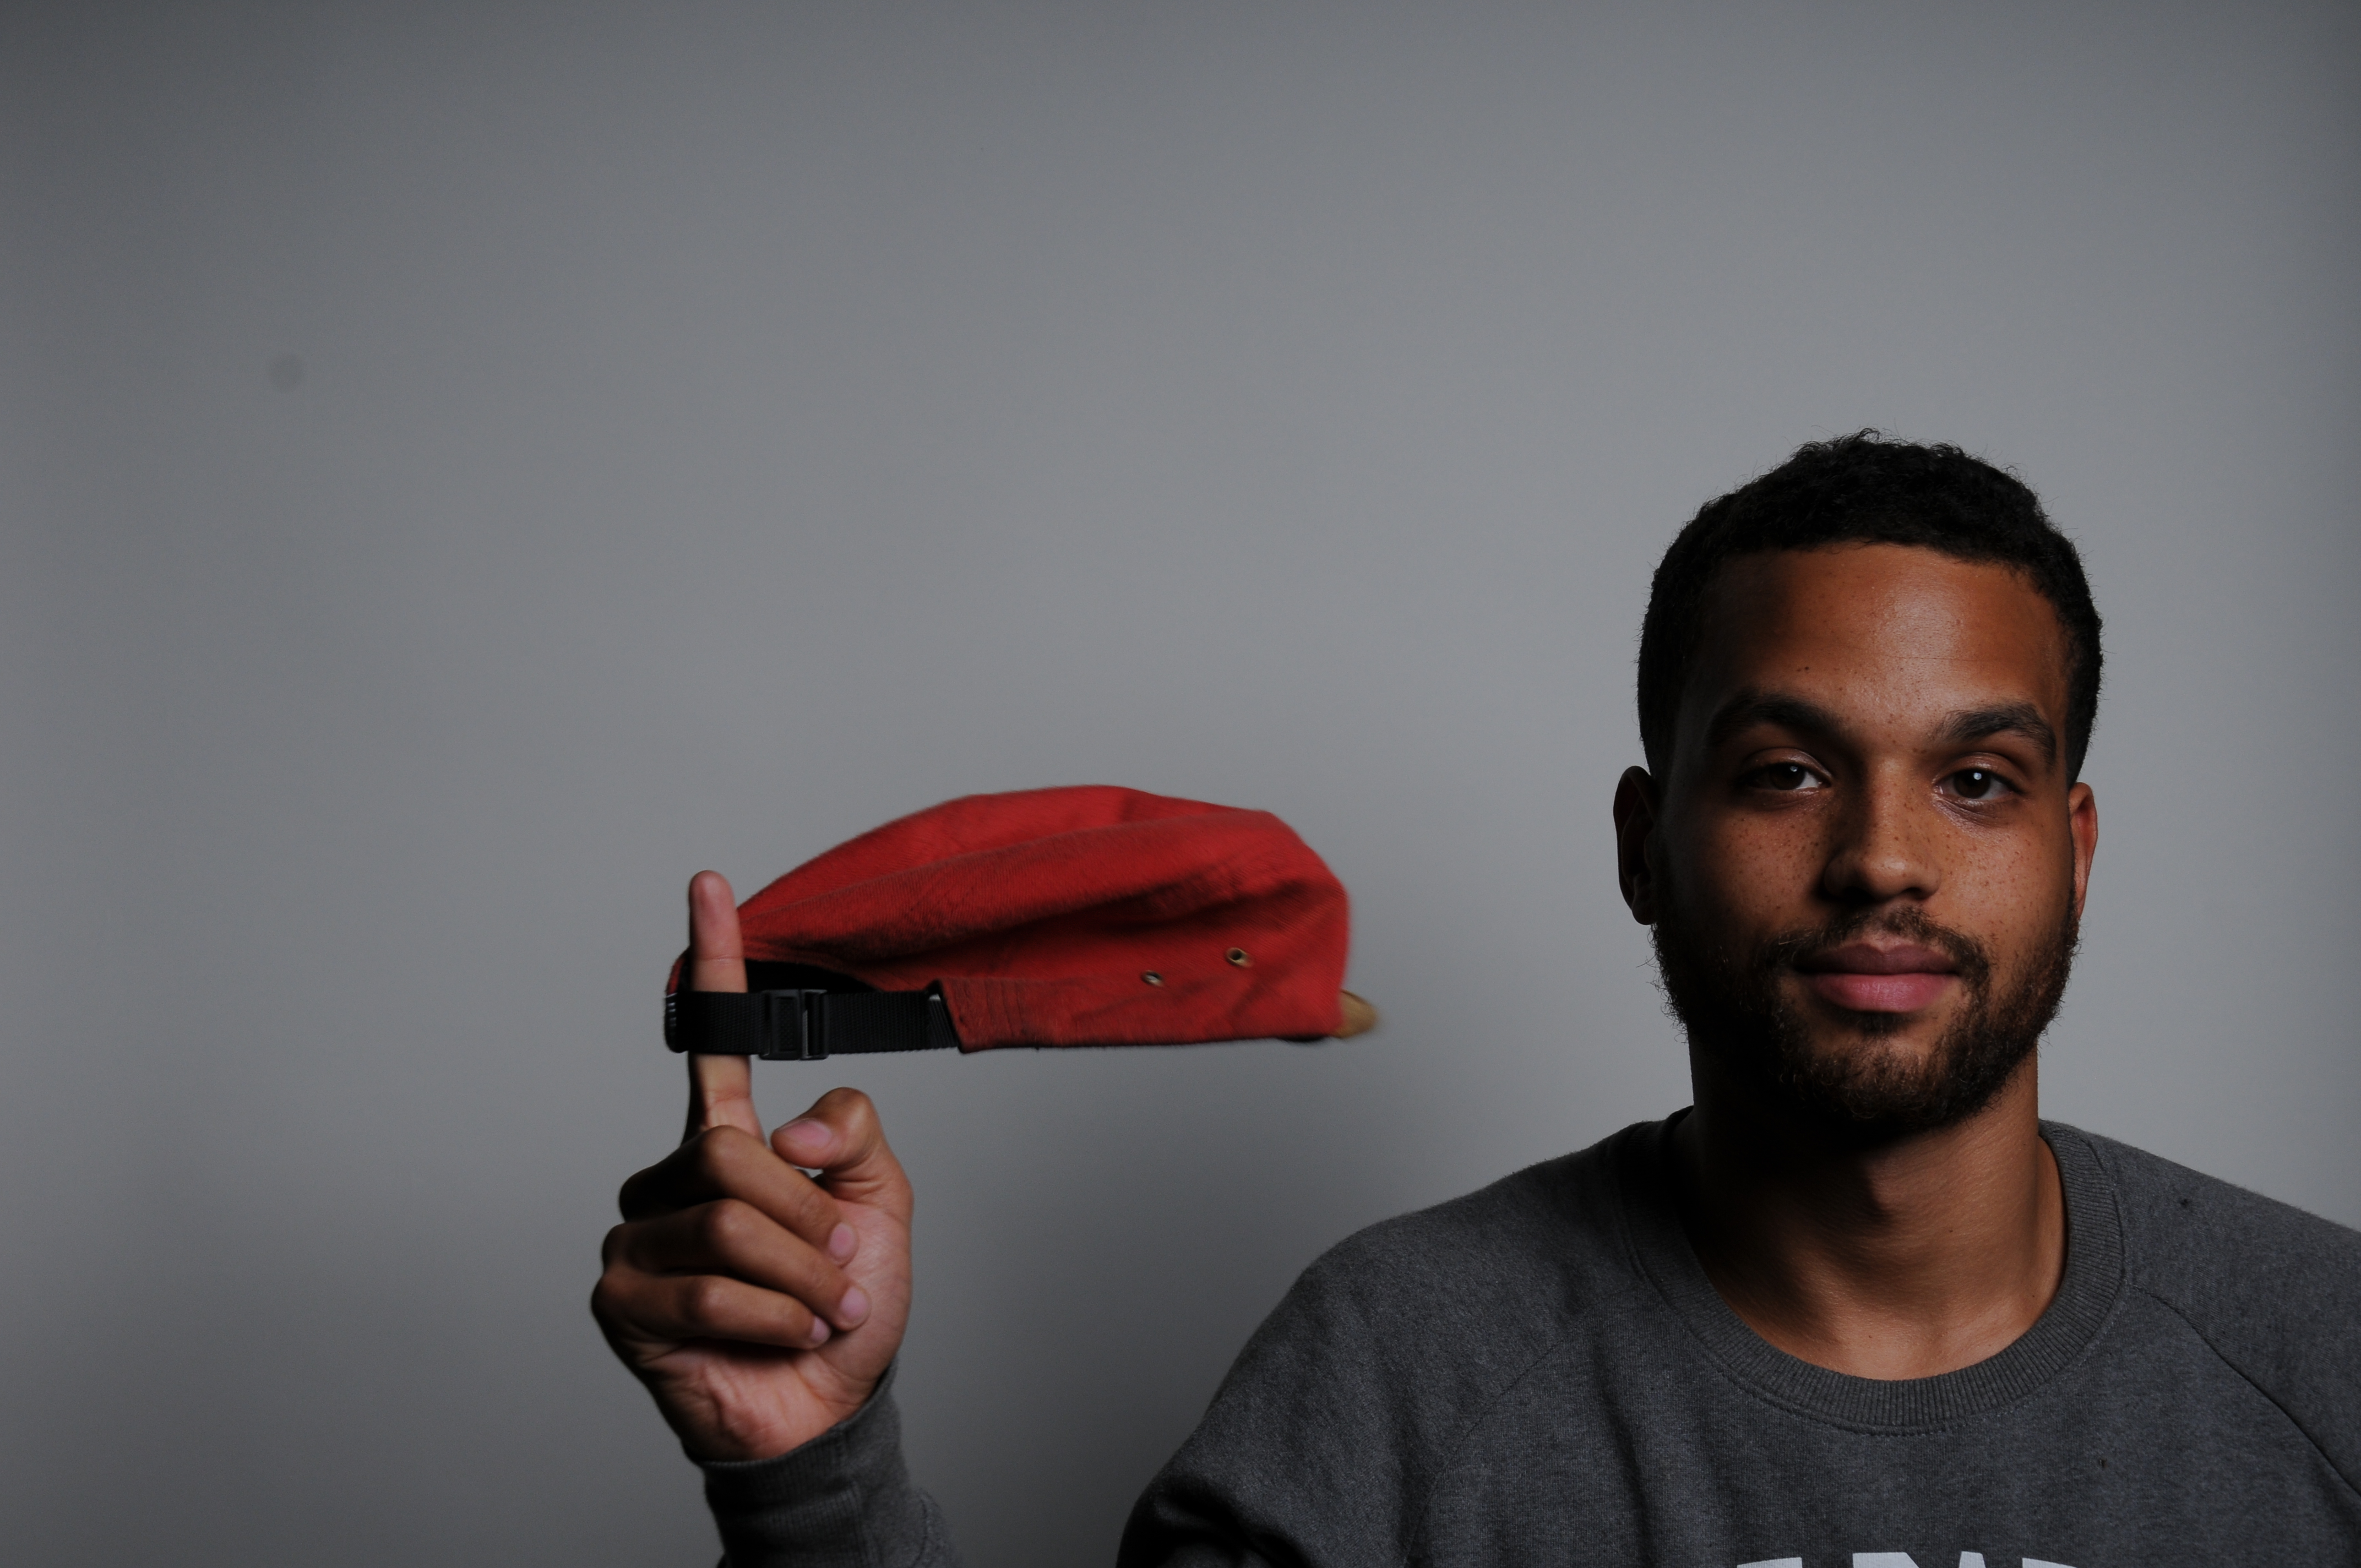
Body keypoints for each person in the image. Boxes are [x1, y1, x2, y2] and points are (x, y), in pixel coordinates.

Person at [591, 433, 2361, 1567]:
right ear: (1645, 845)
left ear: (2075, 848)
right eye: (1786, 772)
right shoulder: (1395, 1379)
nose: (1885, 858)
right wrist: (813, 1482)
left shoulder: (2323, 1355)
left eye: (1977, 781)